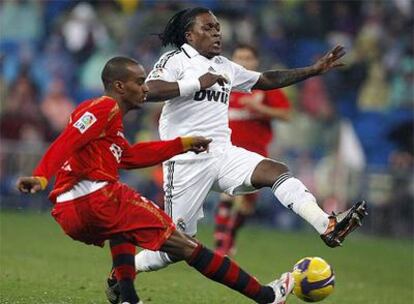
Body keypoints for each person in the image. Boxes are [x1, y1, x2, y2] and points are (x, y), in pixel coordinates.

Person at [17, 56, 295, 304]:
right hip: (98, 197)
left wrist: (182, 143)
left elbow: (130, 157)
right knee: (186, 246)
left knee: (121, 230)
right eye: (139, 82)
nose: (146, 88)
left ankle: (127, 297)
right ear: (119, 86)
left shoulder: (110, 125)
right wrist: (41, 176)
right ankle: (267, 296)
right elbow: (68, 139)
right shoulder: (103, 108)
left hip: (69, 213)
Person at [130, 7, 367, 278]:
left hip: (222, 154)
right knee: (176, 246)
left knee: (275, 170)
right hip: (186, 159)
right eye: (207, 28)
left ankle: (326, 224)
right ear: (189, 35)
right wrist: (196, 83)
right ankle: (124, 270)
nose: (216, 32)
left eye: (217, 27)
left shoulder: (223, 66)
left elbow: (265, 79)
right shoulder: (175, 60)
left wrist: (312, 70)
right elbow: (148, 91)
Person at [213, 44, 292, 255]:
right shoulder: (223, 84)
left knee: (247, 204)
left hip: (256, 153)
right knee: (226, 194)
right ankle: (221, 242)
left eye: (247, 58)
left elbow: (286, 115)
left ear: (255, 62)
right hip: (227, 149)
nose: (243, 62)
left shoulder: (264, 86)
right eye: (238, 57)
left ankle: (230, 235)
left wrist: (260, 109)